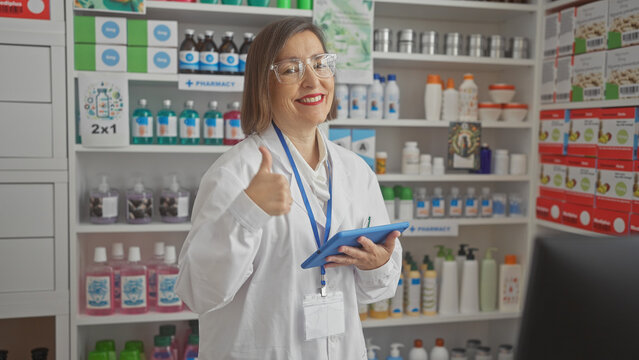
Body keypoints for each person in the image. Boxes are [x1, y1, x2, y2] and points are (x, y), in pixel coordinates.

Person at [176, 17, 402, 360]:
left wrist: (376, 264)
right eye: (291, 69)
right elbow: (198, 293)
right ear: (263, 84)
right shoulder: (235, 172)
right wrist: (247, 212)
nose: (313, 80)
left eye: (320, 64)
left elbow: (376, 292)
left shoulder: (356, 172)